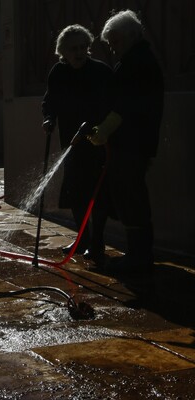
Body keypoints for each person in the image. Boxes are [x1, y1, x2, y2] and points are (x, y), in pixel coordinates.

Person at [88, 10, 164, 272]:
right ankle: (138, 253)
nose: (112, 48)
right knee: (128, 194)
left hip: (133, 142)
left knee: (132, 196)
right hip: (132, 142)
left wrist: (106, 128)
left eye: (115, 42)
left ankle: (139, 257)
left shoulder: (138, 62)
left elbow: (127, 105)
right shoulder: (134, 59)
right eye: (110, 43)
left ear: (131, 36)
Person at [42, 24, 114, 265]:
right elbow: (49, 101)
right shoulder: (59, 73)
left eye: (83, 47)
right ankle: (83, 238)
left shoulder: (101, 72)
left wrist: (98, 127)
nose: (80, 52)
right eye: (74, 48)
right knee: (75, 192)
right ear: (63, 51)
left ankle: (98, 242)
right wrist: (49, 118)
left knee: (98, 193)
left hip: (97, 142)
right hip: (71, 143)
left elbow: (111, 104)